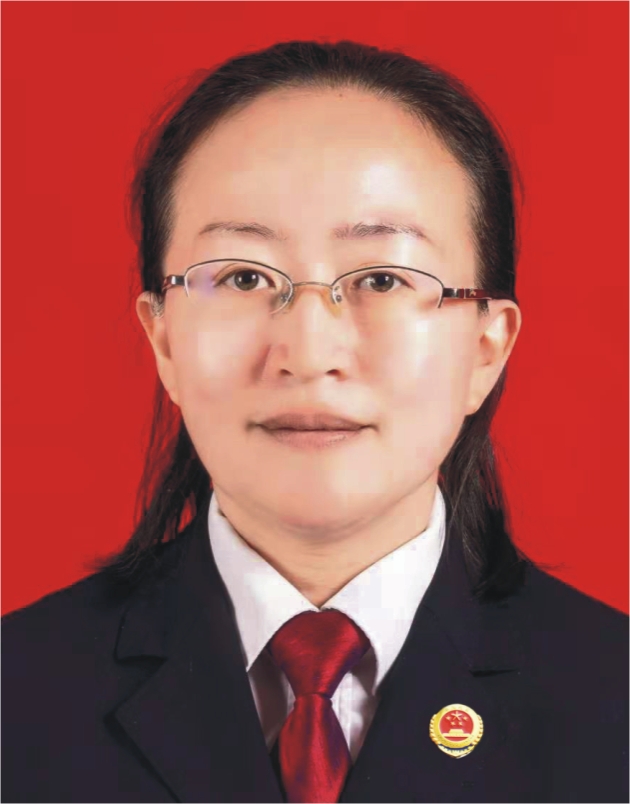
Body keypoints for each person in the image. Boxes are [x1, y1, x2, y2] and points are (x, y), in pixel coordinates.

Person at [2, 40, 627, 804]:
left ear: (486, 348)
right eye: (242, 276)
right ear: (162, 339)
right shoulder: (18, 699)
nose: (307, 352)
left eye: (383, 279)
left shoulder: (612, 704)